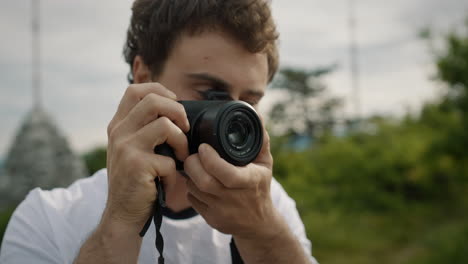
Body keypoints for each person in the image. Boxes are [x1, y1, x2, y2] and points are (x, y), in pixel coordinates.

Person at [0, 0, 318, 263]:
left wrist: (262, 231)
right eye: (210, 94)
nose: (232, 120)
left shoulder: (270, 205)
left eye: (248, 103)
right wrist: (121, 222)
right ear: (144, 77)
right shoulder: (46, 220)